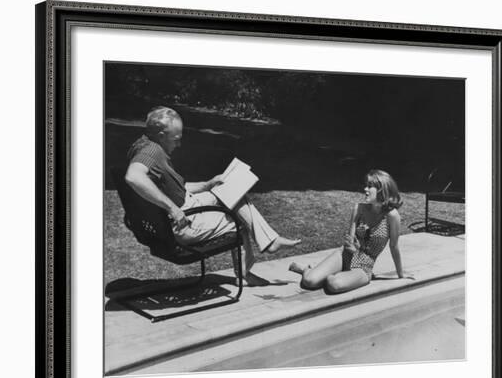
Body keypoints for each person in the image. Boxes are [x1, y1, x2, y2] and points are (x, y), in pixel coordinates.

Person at [124, 106, 301, 286]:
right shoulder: (151, 152)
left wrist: (207, 184)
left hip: (185, 206)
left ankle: (270, 241)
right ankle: (246, 274)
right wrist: (172, 209)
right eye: (176, 139)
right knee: (239, 221)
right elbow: (133, 176)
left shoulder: (143, 144)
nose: (179, 144)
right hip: (184, 221)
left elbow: (176, 188)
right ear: (161, 135)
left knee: (234, 193)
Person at [289, 169, 408, 293]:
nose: (365, 189)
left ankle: (333, 275)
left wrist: (401, 274)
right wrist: (352, 245)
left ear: (381, 189)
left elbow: (394, 246)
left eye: (370, 186)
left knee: (333, 283)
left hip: (364, 266)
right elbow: (349, 243)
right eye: (366, 186)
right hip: (346, 255)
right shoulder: (359, 208)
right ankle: (306, 270)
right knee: (309, 281)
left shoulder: (392, 216)